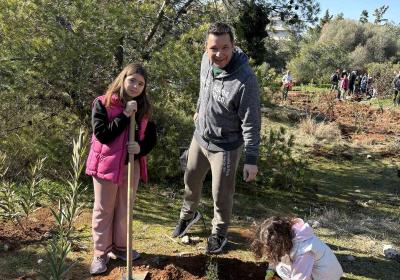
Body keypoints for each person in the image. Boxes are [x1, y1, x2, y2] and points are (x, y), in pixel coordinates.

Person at [171, 22, 261, 254]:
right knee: (190, 179)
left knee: (221, 194)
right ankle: (188, 216)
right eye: (214, 48)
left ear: (233, 46)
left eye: (225, 48)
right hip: (200, 137)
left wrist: (251, 159)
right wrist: (199, 109)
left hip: (226, 147)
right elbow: (204, 89)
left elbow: (251, 122)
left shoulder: (245, 80)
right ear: (206, 47)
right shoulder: (206, 61)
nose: (219, 54)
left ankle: (219, 233)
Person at [85, 63, 157, 274]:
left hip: (130, 166)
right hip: (106, 165)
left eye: (140, 83)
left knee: (125, 207)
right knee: (103, 209)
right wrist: (125, 115)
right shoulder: (103, 103)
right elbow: (103, 135)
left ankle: (121, 247)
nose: (135, 86)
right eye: (132, 80)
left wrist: (140, 148)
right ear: (123, 79)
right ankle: (100, 253)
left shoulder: (144, 109)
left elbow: (152, 138)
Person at [251, 217, 343, 280]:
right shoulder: (287, 234)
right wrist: (271, 270)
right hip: (313, 270)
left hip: (326, 277)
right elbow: (274, 255)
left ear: (279, 244)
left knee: (283, 267)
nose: (269, 253)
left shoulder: (303, 251)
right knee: (281, 266)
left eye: (270, 250)